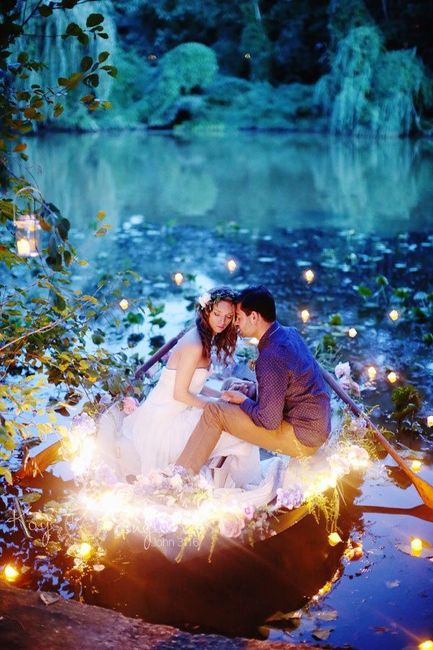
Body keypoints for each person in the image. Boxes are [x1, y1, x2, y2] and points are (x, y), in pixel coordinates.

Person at [176, 285, 331, 474]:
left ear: (254, 317)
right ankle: (215, 463)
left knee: (215, 411)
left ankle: (181, 476)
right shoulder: (288, 333)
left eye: (238, 317)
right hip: (316, 426)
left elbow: (269, 421)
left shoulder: (271, 355)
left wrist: (244, 401)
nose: (235, 323)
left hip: (302, 438)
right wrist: (252, 389)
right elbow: (291, 384)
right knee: (233, 387)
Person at [117, 286, 261, 487]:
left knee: (236, 422)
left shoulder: (204, 337)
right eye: (217, 314)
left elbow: (195, 386)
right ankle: (241, 483)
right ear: (206, 310)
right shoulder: (195, 345)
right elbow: (180, 394)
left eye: (228, 317)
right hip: (164, 424)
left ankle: (231, 478)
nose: (222, 321)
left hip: (177, 411)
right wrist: (217, 407)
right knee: (239, 432)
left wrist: (222, 395)